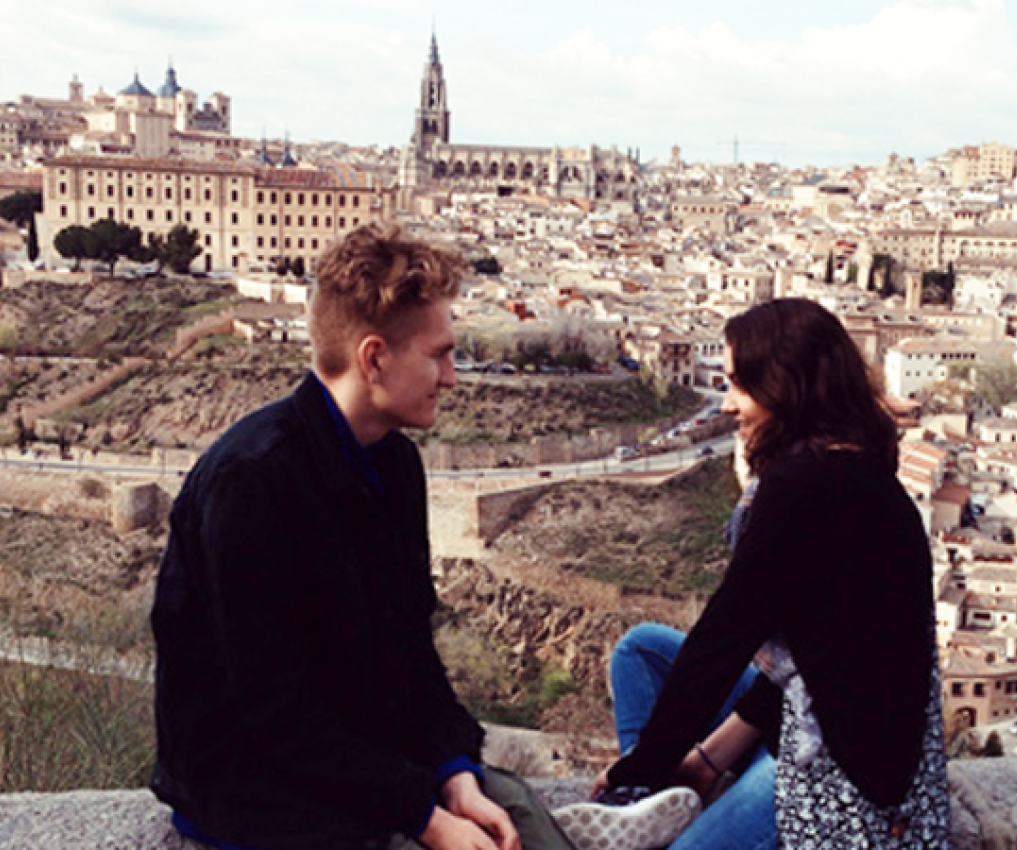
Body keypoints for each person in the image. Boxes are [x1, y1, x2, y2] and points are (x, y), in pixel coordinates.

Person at [151, 222, 626, 850]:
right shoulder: (252, 483)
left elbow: (409, 644)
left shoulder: (394, 464)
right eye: (439, 354)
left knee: (513, 815)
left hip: (359, 756)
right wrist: (425, 817)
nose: (452, 377)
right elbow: (273, 712)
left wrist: (453, 770)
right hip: (256, 791)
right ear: (374, 358)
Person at [592, 298, 951, 849]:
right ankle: (658, 809)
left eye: (741, 384)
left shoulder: (805, 489)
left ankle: (648, 807)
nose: (729, 404)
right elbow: (813, 653)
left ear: (787, 386)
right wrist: (710, 758)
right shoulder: (849, 467)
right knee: (640, 651)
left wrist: (639, 769)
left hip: (838, 770)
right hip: (808, 708)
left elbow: (722, 640)